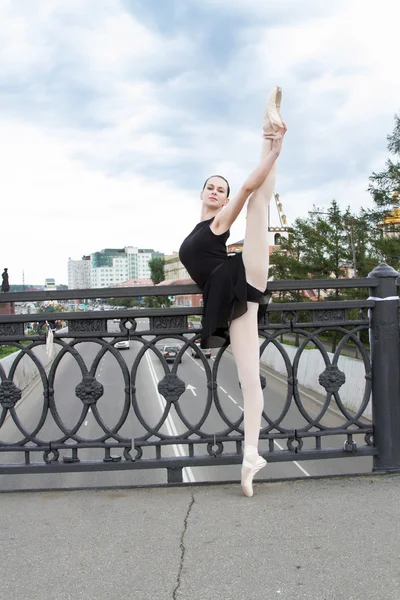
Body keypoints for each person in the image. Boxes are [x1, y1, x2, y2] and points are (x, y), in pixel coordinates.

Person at [158, 86, 286, 496]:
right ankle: (251, 457)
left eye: (221, 189)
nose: (215, 192)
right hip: (231, 299)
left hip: (241, 278)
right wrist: (169, 282)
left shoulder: (217, 225)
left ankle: (271, 134)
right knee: (250, 378)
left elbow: (248, 189)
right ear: (201, 193)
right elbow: (197, 270)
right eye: (210, 188)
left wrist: (272, 154)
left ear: (223, 199)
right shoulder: (197, 231)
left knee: (258, 205)